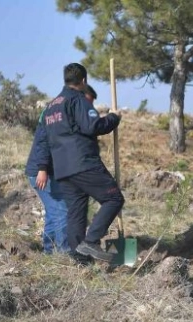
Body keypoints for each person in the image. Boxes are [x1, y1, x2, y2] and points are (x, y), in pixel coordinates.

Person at [42, 63, 123, 262]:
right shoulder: (77, 99)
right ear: (84, 81)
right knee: (113, 199)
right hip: (83, 163)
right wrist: (114, 118)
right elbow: (93, 126)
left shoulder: (52, 106)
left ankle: (80, 260)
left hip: (63, 169)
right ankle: (92, 241)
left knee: (76, 211)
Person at [25, 85, 98, 254]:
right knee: (62, 211)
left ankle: (49, 251)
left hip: (50, 171)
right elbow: (44, 141)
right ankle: (66, 253)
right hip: (42, 171)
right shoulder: (57, 114)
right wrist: (42, 169)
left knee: (53, 211)